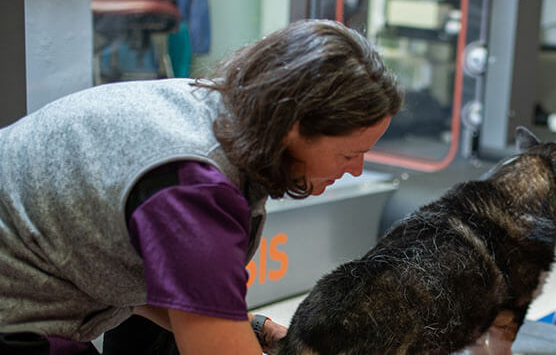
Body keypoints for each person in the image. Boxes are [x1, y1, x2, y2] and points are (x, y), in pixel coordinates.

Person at [0, 19, 404, 354]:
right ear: (295, 128)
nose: (356, 170)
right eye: (350, 154)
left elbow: (153, 289)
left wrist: (252, 327)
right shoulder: (194, 188)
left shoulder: (217, 111)